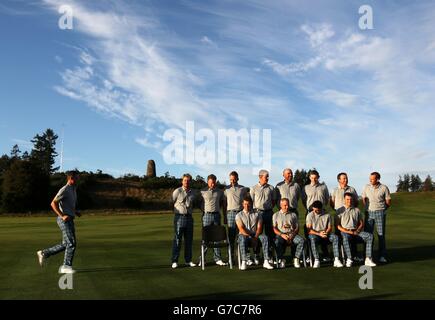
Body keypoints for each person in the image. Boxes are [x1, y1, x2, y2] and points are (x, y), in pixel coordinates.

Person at [37, 170, 81, 274]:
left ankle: (44, 253)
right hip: (64, 220)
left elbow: (68, 205)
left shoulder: (73, 189)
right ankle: (66, 266)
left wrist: (75, 212)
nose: (79, 180)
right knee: (71, 243)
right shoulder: (65, 189)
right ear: (71, 179)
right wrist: (62, 216)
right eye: (77, 178)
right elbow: (53, 203)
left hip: (70, 219)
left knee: (66, 244)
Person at [336, 193, 377, 267]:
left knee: (370, 236)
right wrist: (348, 231)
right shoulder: (339, 210)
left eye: (351, 199)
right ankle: (349, 258)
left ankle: (368, 259)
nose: (349, 201)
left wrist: (357, 231)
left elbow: (361, 223)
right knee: (345, 237)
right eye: (347, 199)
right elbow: (338, 226)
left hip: (356, 231)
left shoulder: (357, 210)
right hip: (345, 232)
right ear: (344, 200)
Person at [236, 196, 274, 270]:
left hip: (255, 234)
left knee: (265, 237)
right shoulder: (239, 215)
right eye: (245, 204)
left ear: (251, 204)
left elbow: (259, 227)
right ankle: (244, 261)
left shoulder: (257, 214)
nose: (247, 206)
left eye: (248, 204)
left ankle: (266, 261)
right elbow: (241, 228)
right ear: (242, 204)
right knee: (242, 238)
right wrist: (250, 237)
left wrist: (255, 237)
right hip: (244, 235)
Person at [362, 172, 392, 263]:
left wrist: (382, 209)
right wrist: (368, 208)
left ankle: (382, 256)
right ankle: (367, 256)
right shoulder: (366, 187)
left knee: (381, 235)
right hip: (369, 213)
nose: (370, 180)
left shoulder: (384, 188)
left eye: (372, 179)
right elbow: (364, 199)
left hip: (380, 213)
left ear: (378, 179)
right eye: (370, 178)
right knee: (368, 235)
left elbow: (388, 201)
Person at [199, 174, 227, 266]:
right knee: (205, 238)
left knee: (217, 238)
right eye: (211, 182)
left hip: (216, 216)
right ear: (208, 182)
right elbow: (199, 203)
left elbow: (223, 204)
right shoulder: (202, 191)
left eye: (214, 182)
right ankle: (202, 259)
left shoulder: (219, 192)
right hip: (207, 215)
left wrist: (224, 215)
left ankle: (217, 258)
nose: (213, 184)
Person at [306, 201, 343, 268]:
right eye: (314, 209)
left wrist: (326, 232)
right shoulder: (310, 215)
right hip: (315, 234)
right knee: (312, 238)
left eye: (317, 210)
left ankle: (336, 259)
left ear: (321, 208)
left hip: (325, 233)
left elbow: (330, 227)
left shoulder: (327, 215)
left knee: (335, 238)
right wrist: (319, 234)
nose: (315, 211)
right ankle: (316, 260)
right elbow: (309, 230)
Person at [171, 173, 196, 269]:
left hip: (189, 218)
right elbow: (171, 202)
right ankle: (174, 261)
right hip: (179, 217)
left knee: (189, 240)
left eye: (188, 180)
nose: (187, 182)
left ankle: (188, 260)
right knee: (177, 240)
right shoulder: (177, 191)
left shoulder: (193, 192)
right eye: (185, 180)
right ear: (182, 181)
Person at [250, 169, 276, 260]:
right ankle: (256, 254)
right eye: (266, 176)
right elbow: (251, 202)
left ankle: (269, 254)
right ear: (260, 177)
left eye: (268, 176)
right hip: (257, 213)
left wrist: (268, 208)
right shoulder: (253, 188)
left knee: (270, 235)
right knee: (257, 234)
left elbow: (273, 201)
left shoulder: (271, 188)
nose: (268, 178)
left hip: (269, 213)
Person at [273, 198, 306, 268]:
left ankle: (296, 259)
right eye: (285, 205)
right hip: (281, 235)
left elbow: (297, 227)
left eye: (288, 205)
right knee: (276, 242)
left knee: (301, 240)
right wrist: (282, 235)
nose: (287, 207)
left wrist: (293, 234)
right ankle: (281, 259)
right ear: (280, 205)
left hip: (291, 234)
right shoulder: (276, 215)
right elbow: (274, 228)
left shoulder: (293, 214)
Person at [223, 171, 248, 261]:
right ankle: (231, 256)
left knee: (242, 235)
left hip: (241, 214)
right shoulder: (226, 189)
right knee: (231, 236)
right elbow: (224, 204)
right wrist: (225, 216)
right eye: (230, 179)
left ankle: (242, 256)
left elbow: (246, 201)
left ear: (237, 178)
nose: (232, 181)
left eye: (234, 179)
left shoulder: (243, 189)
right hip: (230, 213)